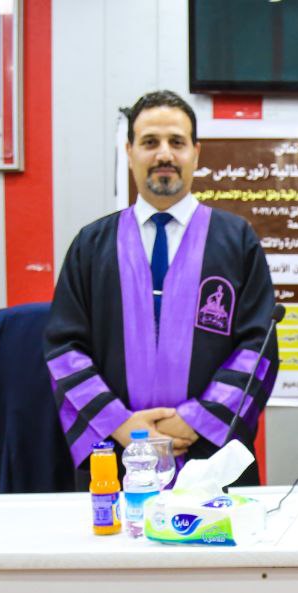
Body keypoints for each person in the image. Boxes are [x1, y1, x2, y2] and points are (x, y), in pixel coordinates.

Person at [44, 90, 278, 485]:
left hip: (209, 456)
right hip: (116, 455)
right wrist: (120, 423)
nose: (164, 154)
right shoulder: (92, 245)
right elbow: (64, 348)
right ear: (129, 152)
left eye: (177, 142)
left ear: (196, 154)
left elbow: (259, 347)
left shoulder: (236, 241)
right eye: (150, 142)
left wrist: (196, 419)